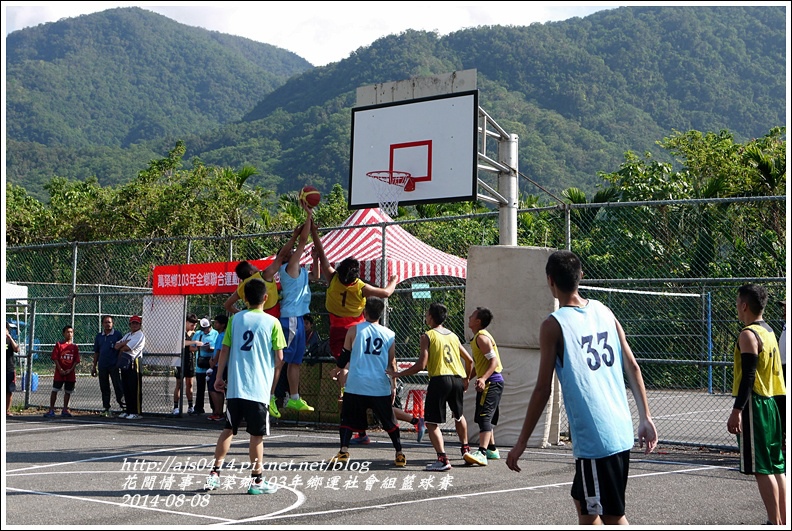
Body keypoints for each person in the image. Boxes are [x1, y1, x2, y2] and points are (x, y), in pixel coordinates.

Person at [506, 250, 658, 525]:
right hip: (620, 428)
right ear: (581, 277)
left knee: (608, 516)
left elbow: (543, 390)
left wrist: (521, 442)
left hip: (596, 438)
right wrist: (645, 417)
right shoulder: (604, 310)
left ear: (550, 281)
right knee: (582, 498)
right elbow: (633, 366)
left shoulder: (554, 325)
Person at [312, 221, 399, 442]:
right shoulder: (361, 287)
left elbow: (321, 252)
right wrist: (393, 280)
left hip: (338, 330)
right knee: (357, 370)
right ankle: (361, 430)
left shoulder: (332, 278)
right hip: (359, 331)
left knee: (347, 368)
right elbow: (386, 293)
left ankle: (344, 392)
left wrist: (314, 230)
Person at [205, 278, 286, 495]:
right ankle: (257, 481)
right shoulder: (273, 322)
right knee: (256, 436)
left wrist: (219, 376)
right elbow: (279, 359)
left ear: (245, 298)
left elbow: (225, 349)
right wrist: (273, 381)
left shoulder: (235, 319)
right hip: (258, 389)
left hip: (236, 388)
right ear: (266, 298)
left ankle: (214, 474)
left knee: (228, 430)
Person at [388, 302, 474, 471]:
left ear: (431, 317)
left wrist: (398, 374)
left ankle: (442, 459)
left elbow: (421, 365)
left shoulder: (427, 336)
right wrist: (466, 379)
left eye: (427, 313)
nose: (425, 316)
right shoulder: (453, 336)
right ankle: (465, 450)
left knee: (431, 422)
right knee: (458, 416)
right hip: (457, 378)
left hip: (440, 379)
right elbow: (469, 361)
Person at [727, 284, 786, 525]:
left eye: (738, 302)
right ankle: (783, 520)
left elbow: (749, 376)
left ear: (744, 305)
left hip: (756, 405)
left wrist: (736, 411)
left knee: (762, 467)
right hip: (772, 402)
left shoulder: (748, 334)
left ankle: (775, 522)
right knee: (776, 465)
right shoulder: (770, 331)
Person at [331, 297, 406, 467]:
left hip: (356, 384)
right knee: (389, 421)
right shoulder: (389, 334)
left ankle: (343, 451)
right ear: (381, 313)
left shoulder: (354, 330)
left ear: (364, 312)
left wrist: (337, 369)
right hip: (378, 385)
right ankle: (399, 453)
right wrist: (393, 386)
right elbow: (392, 363)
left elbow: (345, 355)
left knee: (347, 419)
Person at [271, 208, 316, 417]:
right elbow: (303, 241)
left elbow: (315, 278)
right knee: (280, 360)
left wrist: (315, 258)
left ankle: (294, 398)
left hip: (298, 318)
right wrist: (308, 216)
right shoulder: (289, 267)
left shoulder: (301, 270)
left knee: (295, 361)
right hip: (289, 318)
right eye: (289, 251)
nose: (293, 252)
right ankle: (270, 396)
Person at [463, 306, 504, 466]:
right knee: (483, 416)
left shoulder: (482, 338)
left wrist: (483, 379)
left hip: (492, 381)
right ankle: (491, 449)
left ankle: (481, 453)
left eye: (472, 316)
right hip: (489, 380)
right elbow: (480, 364)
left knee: (484, 416)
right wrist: (467, 378)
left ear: (478, 321)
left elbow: (493, 362)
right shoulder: (476, 338)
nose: (469, 318)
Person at [44, 325, 81, 418]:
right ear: (64, 333)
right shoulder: (59, 345)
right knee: (55, 390)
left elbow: (76, 360)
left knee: (68, 391)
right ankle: (51, 409)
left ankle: (65, 409)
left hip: (70, 374)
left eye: (71, 332)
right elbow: (55, 358)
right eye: (67, 332)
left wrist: (70, 369)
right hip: (59, 373)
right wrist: (60, 369)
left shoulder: (74, 346)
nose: (69, 334)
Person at [91, 315, 125, 417]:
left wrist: (119, 362)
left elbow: (121, 349)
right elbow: (97, 352)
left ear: (112, 323)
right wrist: (94, 366)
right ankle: (106, 408)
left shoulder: (117, 335)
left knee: (117, 386)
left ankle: (124, 407)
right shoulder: (99, 336)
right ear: (102, 324)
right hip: (102, 366)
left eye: (109, 322)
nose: (107, 324)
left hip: (114, 365)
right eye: (105, 322)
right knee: (104, 387)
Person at [115, 315, 146, 420]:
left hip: (134, 361)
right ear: (130, 324)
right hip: (125, 361)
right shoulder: (128, 335)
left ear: (140, 325)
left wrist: (123, 345)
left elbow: (127, 348)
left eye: (136, 323)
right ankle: (128, 410)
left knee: (134, 388)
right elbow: (116, 345)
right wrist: (124, 343)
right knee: (126, 387)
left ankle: (136, 412)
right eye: (133, 323)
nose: (134, 325)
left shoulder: (139, 335)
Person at [173, 313, 201, 416]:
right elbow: (182, 343)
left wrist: (199, 345)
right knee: (179, 384)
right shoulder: (180, 332)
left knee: (190, 384)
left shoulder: (194, 333)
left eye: (194, 325)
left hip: (189, 360)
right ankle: (176, 407)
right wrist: (195, 342)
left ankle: (190, 406)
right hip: (179, 361)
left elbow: (193, 347)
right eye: (191, 324)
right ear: (186, 322)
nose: (193, 327)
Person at [193, 317, 218, 416]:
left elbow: (219, 348)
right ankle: (198, 408)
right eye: (203, 328)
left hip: (212, 364)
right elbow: (191, 347)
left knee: (212, 388)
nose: (205, 330)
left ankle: (215, 408)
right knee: (200, 388)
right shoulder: (198, 334)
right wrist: (199, 347)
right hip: (200, 365)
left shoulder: (216, 334)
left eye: (207, 328)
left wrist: (211, 349)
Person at [206, 314, 228, 421]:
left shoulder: (221, 336)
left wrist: (213, 363)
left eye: (217, 323)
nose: (215, 324)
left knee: (213, 388)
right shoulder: (223, 335)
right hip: (221, 365)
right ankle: (219, 412)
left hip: (219, 366)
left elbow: (220, 351)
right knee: (218, 389)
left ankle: (218, 412)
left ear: (223, 324)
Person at [7, 322, 20, 417]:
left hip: (9, 369)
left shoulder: (9, 340)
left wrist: (9, 337)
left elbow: (16, 349)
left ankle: (6, 410)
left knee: (9, 391)